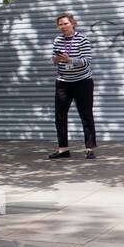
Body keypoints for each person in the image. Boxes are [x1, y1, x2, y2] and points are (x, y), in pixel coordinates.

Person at [49, 12, 97, 160]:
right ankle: (63, 149)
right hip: (63, 82)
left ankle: (89, 149)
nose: (63, 26)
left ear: (73, 23)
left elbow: (87, 61)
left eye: (66, 23)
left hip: (83, 82)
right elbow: (53, 60)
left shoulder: (82, 39)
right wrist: (57, 59)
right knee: (60, 116)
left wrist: (70, 60)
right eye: (60, 24)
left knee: (86, 115)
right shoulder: (58, 40)